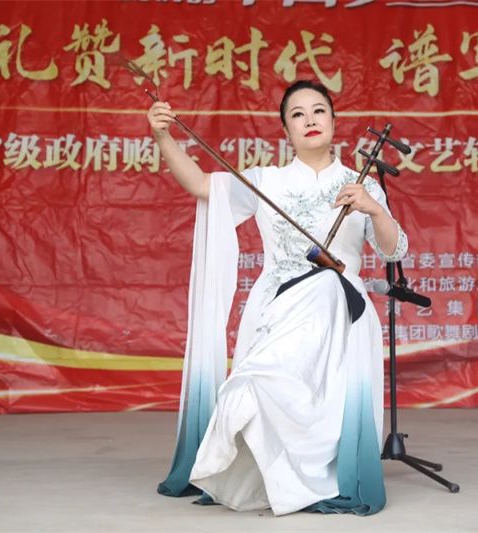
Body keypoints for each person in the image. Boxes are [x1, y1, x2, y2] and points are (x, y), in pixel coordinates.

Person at [148, 80, 408, 516]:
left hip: (340, 310)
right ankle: (268, 476)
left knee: (327, 403)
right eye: (297, 115)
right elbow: (203, 185)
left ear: (334, 122)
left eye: (319, 111)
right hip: (278, 307)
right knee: (259, 387)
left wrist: (375, 209)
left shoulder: (360, 183)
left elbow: (393, 250)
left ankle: (317, 479)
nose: (310, 120)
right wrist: (162, 137)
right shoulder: (267, 180)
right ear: (286, 131)